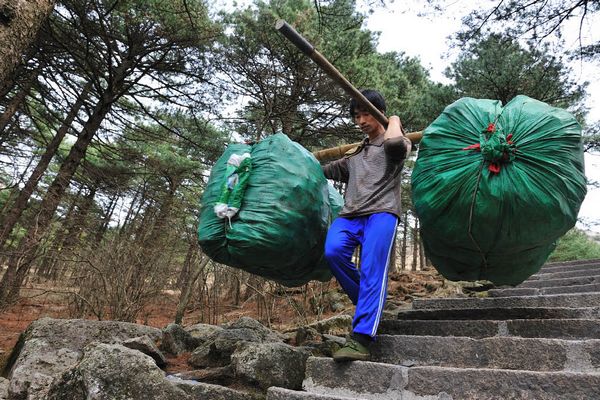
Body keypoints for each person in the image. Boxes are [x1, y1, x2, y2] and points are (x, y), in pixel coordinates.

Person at [322, 89, 411, 362]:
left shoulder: (398, 142)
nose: (360, 120)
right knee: (333, 252)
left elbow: (396, 146)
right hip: (350, 215)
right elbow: (325, 170)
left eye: (366, 114)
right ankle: (371, 304)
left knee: (373, 267)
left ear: (379, 114)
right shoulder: (356, 152)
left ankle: (361, 338)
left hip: (382, 213)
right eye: (356, 115)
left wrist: (392, 119)